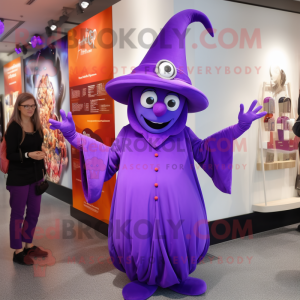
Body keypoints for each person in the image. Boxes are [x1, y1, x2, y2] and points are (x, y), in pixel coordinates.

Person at [5, 92, 48, 265]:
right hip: (19, 177)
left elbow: (39, 145)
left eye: (33, 106)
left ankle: (29, 244)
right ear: (19, 107)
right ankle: (18, 251)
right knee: (17, 214)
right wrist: (29, 154)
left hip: (36, 176)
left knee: (34, 212)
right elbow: (11, 154)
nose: (30, 109)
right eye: (26, 106)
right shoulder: (14, 127)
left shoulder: (36, 124)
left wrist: (42, 151)